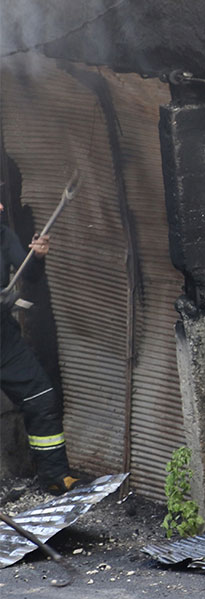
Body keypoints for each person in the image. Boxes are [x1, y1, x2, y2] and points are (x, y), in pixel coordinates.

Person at [1, 203, 82, 495]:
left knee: (41, 399)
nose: (0, 206)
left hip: (4, 343)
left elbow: (30, 275)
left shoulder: (3, 235)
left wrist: (37, 258)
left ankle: (55, 475)